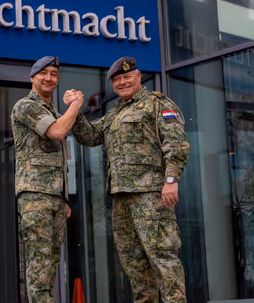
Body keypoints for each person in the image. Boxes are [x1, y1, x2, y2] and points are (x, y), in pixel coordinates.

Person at [67, 56, 189, 303]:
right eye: (117, 80)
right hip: (121, 199)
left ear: (138, 76)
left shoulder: (157, 103)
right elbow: (90, 136)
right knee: (134, 264)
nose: (122, 82)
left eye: (126, 77)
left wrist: (171, 179)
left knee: (163, 258)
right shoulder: (116, 111)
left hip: (151, 195)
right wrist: (75, 111)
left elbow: (176, 142)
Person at [11, 55, 84, 303]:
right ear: (33, 78)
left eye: (54, 74)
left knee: (50, 267)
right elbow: (58, 132)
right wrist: (76, 105)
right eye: (44, 73)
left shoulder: (52, 111)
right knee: (40, 268)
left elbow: (58, 160)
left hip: (55, 199)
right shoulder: (25, 106)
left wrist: (63, 198)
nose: (49, 78)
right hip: (36, 197)